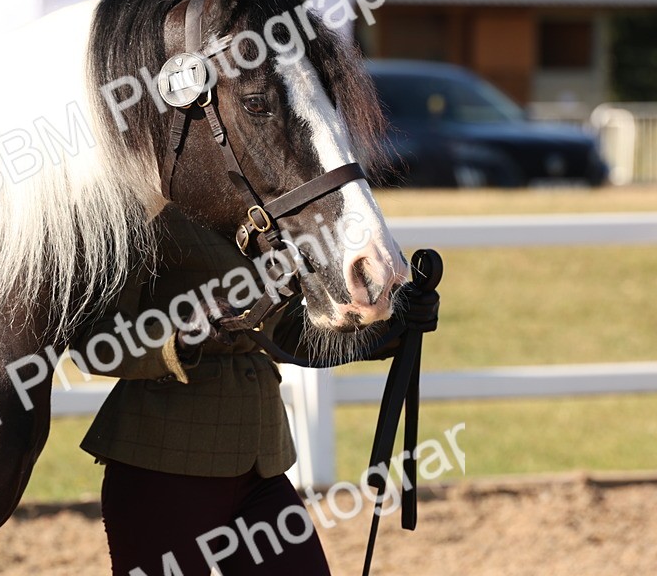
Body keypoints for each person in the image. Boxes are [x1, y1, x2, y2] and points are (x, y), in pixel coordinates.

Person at [71, 204, 438, 576]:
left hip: (261, 467)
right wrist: (178, 337)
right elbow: (95, 343)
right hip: (162, 463)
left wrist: (394, 329)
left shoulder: (259, 217)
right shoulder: (143, 213)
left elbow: (286, 334)